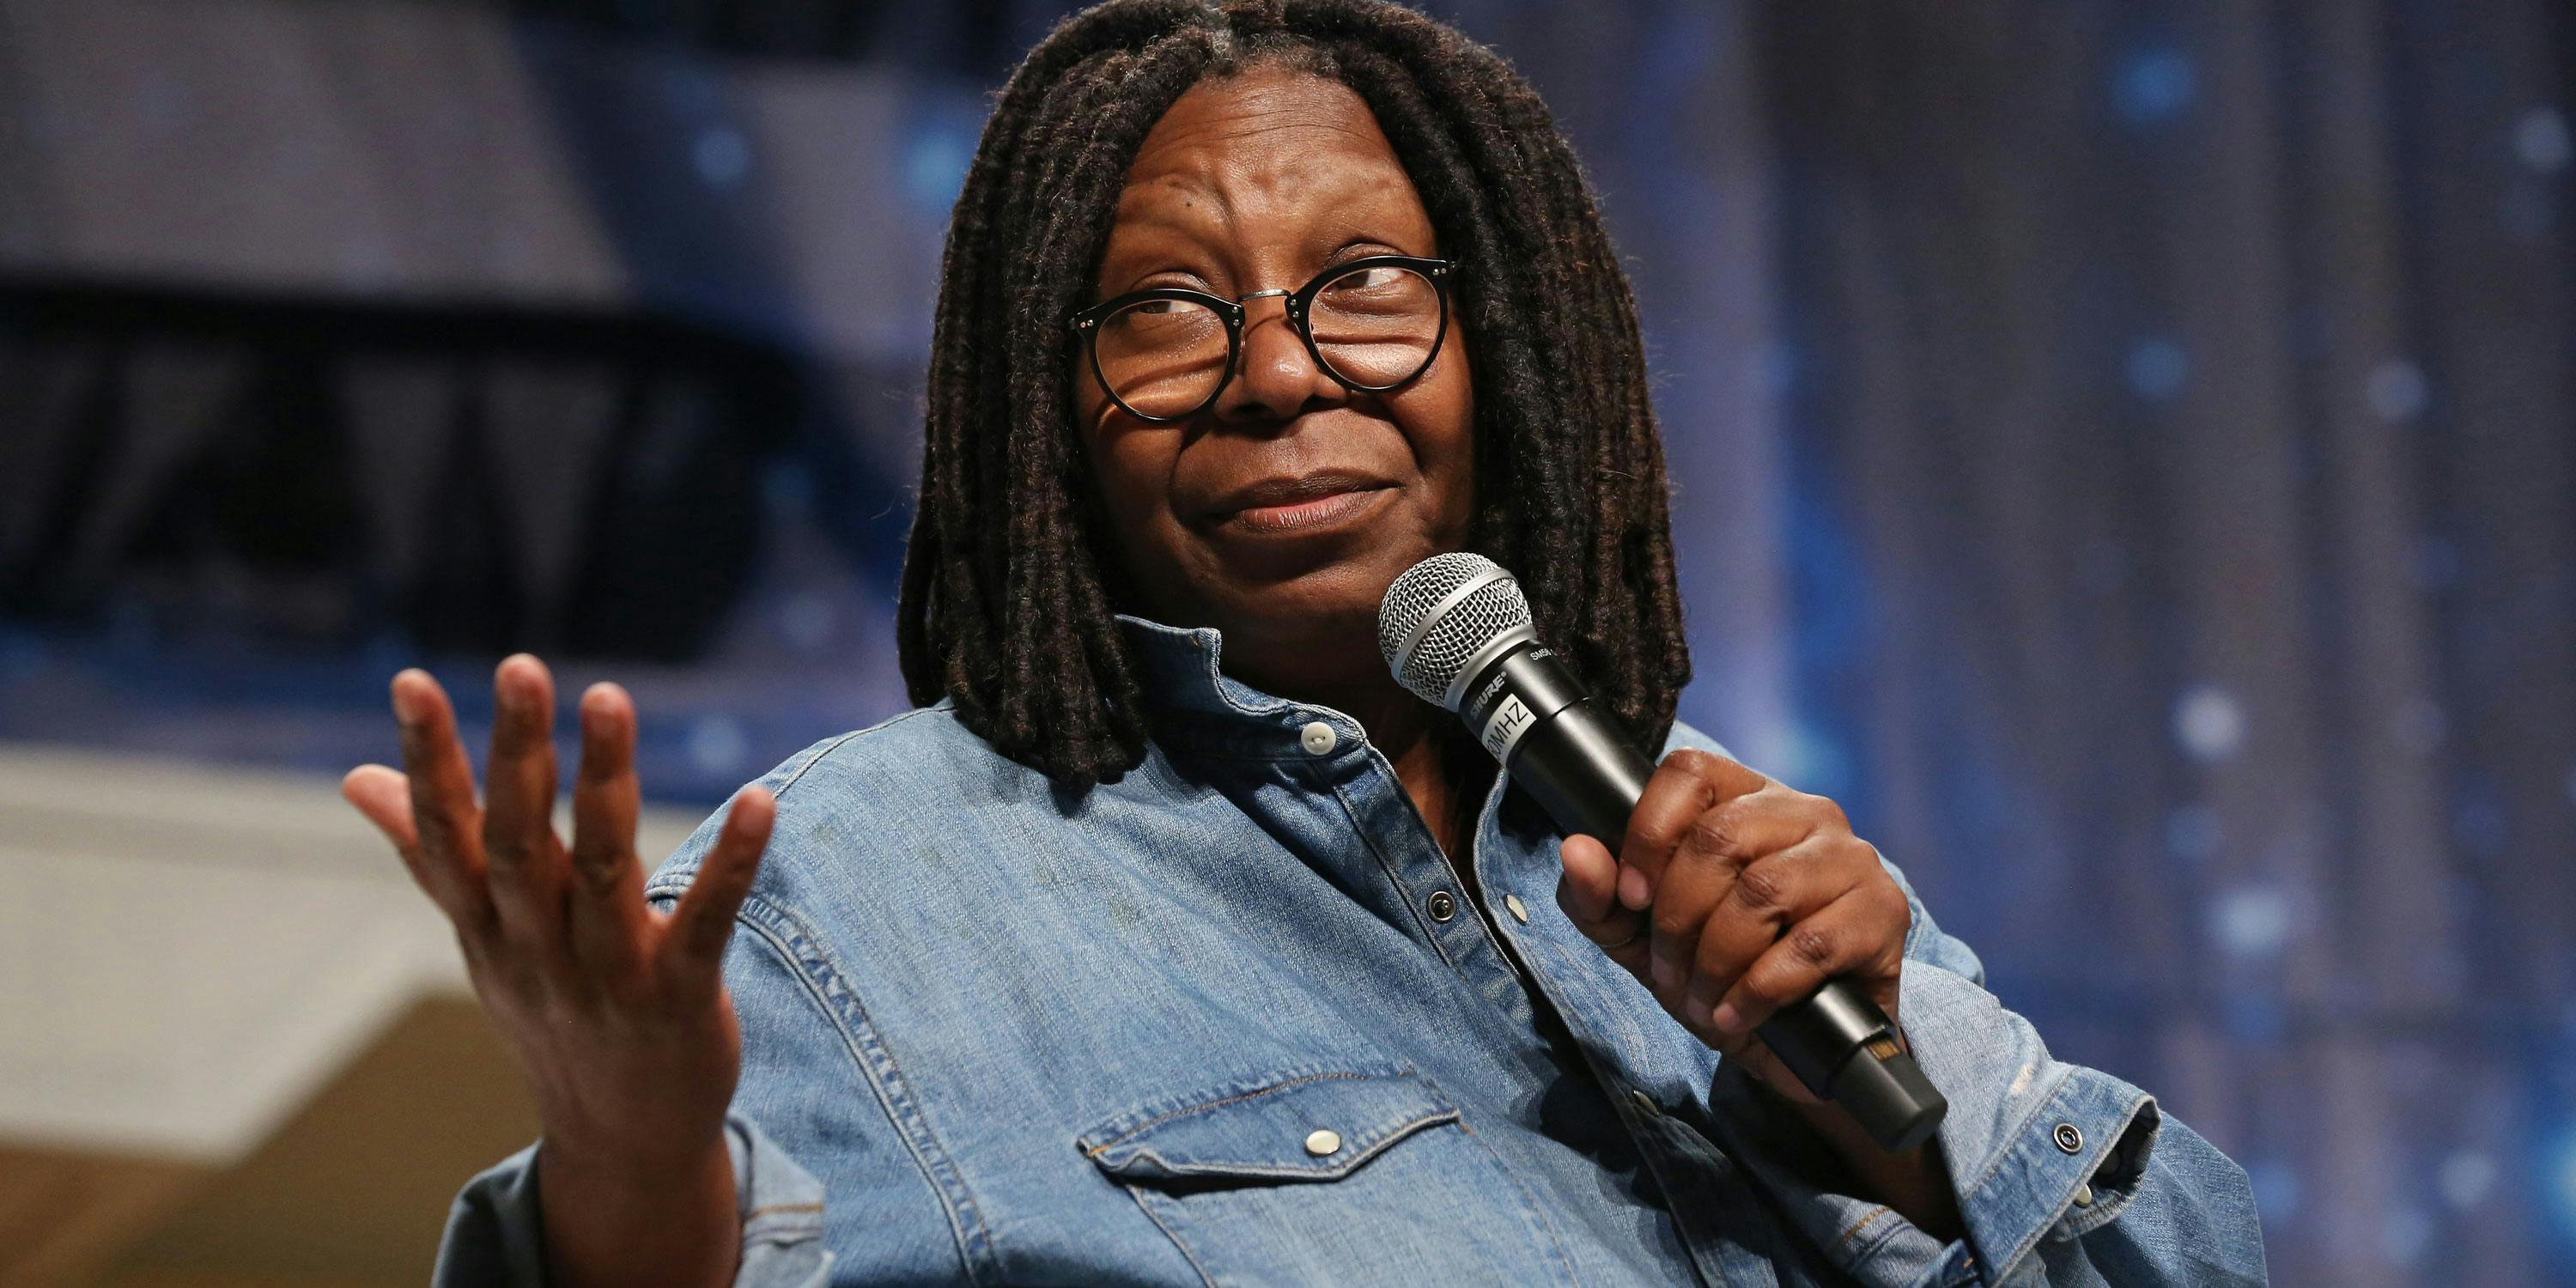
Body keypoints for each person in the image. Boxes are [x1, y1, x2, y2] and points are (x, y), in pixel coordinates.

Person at [340, 3, 2269, 1284]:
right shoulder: (860, 891)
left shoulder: (1712, 856)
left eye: (1362, 284)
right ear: (1047, 421)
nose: (1275, 372)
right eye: (1165, 313)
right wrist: (620, 1153)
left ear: (1506, 351)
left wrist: (1883, 1116)